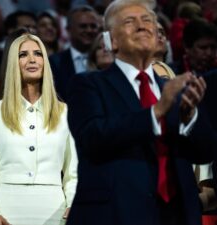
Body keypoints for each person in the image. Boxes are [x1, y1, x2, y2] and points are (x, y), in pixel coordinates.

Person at [66, 1, 215, 225]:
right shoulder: (89, 84)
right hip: (117, 214)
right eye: (129, 21)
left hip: (176, 215)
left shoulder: (175, 90)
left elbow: (205, 153)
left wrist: (189, 116)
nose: (142, 26)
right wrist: (155, 112)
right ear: (111, 41)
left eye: (147, 20)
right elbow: (92, 138)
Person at [0, 34, 78, 225]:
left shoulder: (65, 113)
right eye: (23, 54)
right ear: (13, 62)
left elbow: (73, 173)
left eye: (38, 54)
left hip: (55, 212)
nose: (32, 59)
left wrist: (73, 205)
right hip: (5, 211)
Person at [49, 5, 101, 102]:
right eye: (83, 26)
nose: (89, 30)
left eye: (93, 26)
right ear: (69, 30)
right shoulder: (54, 62)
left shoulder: (106, 60)